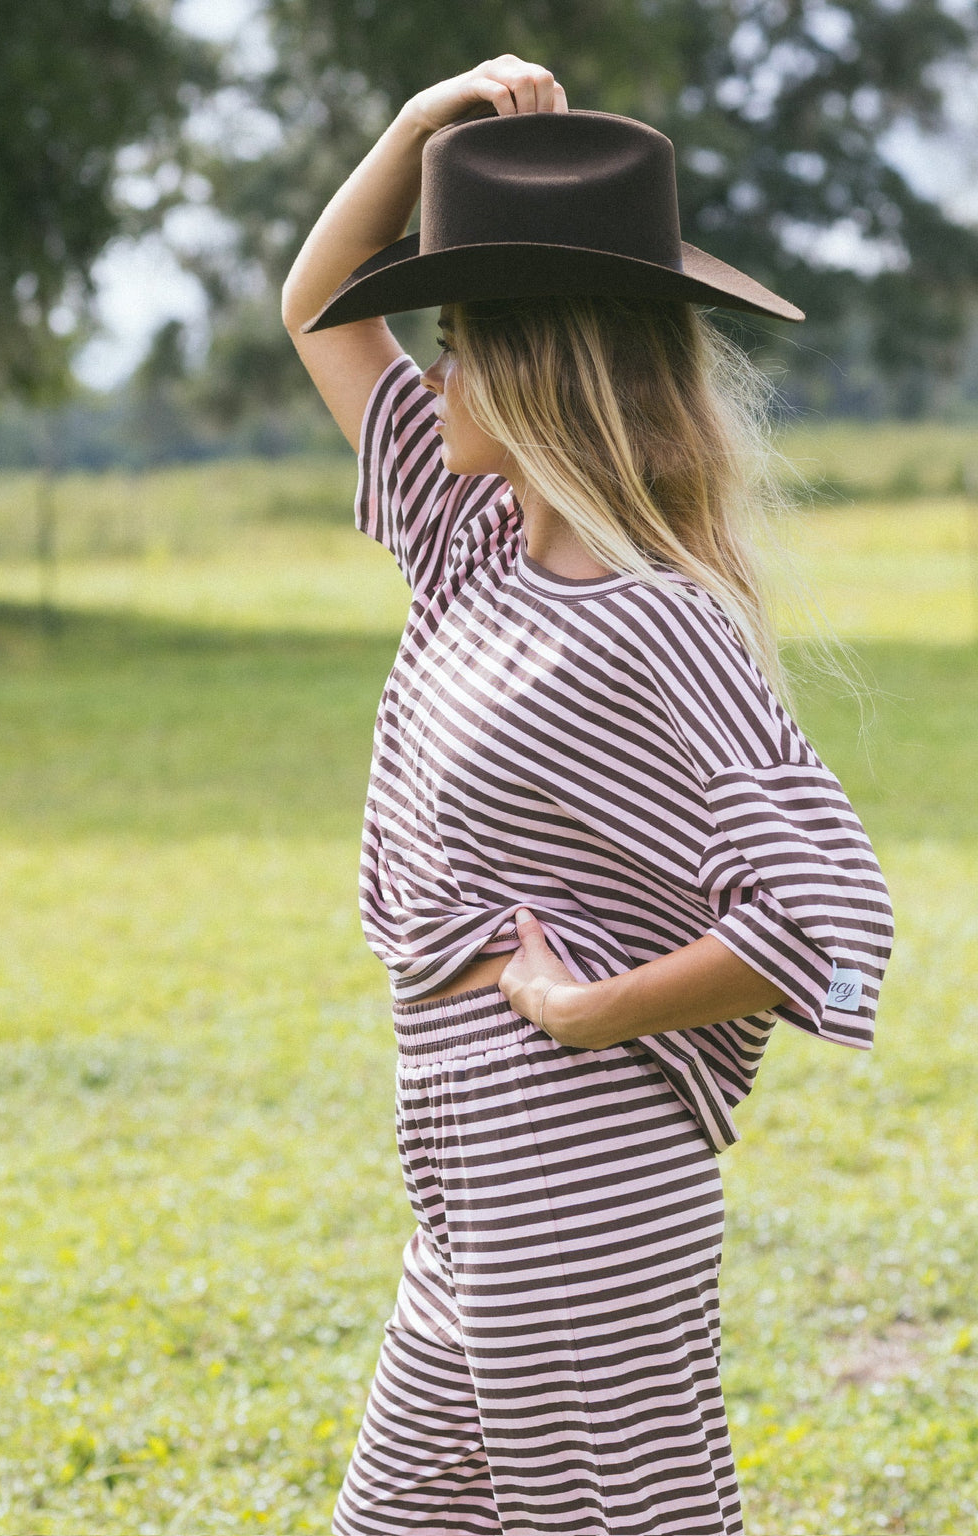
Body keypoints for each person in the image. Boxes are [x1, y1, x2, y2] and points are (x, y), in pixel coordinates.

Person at [282, 56, 893, 1536]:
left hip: (584, 1189)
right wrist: (417, 129)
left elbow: (823, 910)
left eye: (460, 340)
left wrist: (584, 1009)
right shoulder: (469, 543)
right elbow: (313, 308)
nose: (431, 374)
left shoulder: (659, 618)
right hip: (470, 1179)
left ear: (542, 364)